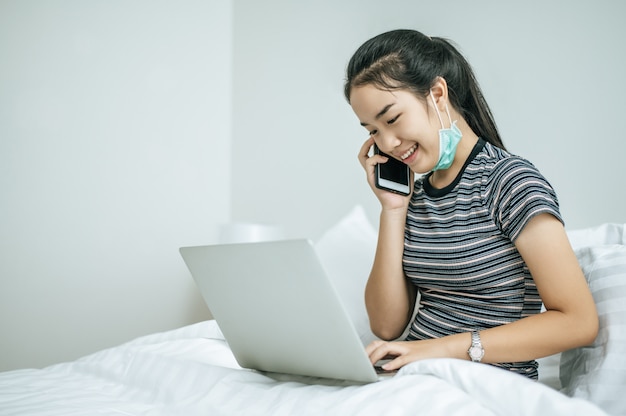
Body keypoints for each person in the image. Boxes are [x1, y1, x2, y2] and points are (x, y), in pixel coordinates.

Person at [343, 29, 598, 379]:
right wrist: (393, 209)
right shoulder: (412, 198)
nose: (387, 143)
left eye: (391, 119)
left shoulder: (510, 182)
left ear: (436, 94)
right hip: (414, 378)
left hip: (485, 382)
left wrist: (440, 348)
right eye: (372, 130)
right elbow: (386, 325)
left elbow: (578, 322)